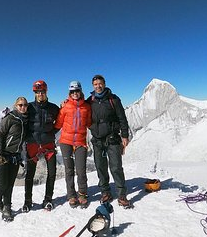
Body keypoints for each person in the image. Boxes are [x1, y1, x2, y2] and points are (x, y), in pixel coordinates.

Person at [86, 74, 131, 207]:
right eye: (95, 84)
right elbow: (80, 109)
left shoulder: (114, 99)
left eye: (100, 84)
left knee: (116, 167)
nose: (98, 86)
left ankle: (122, 195)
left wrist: (125, 135)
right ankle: (105, 192)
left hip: (112, 137)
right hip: (97, 139)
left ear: (104, 84)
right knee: (100, 167)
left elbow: (122, 118)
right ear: (93, 86)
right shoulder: (90, 100)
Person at [23, 79, 60, 212]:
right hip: (32, 144)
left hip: (48, 144)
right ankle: (27, 201)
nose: (40, 94)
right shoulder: (29, 107)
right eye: (37, 92)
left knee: (52, 173)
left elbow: (60, 122)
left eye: (42, 91)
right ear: (35, 93)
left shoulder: (54, 108)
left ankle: (48, 199)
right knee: (30, 174)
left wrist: (51, 133)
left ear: (46, 92)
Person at [55, 80, 92, 208]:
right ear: (69, 93)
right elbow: (58, 123)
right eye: (72, 91)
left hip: (80, 141)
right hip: (66, 142)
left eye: (77, 91)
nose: (75, 93)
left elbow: (89, 123)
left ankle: (82, 193)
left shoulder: (86, 107)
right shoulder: (65, 106)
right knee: (69, 170)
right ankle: (71, 195)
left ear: (80, 92)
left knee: (81, 170)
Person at [0, 96, 28, 222]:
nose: (23, 107)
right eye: (20, 105)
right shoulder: (10, 118)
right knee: (3, 183)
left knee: (10, 184)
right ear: (15, 106)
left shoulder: (25, 120)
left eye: (25, 105)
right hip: (3, 155)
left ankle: (7, 207)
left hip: (15, 157)